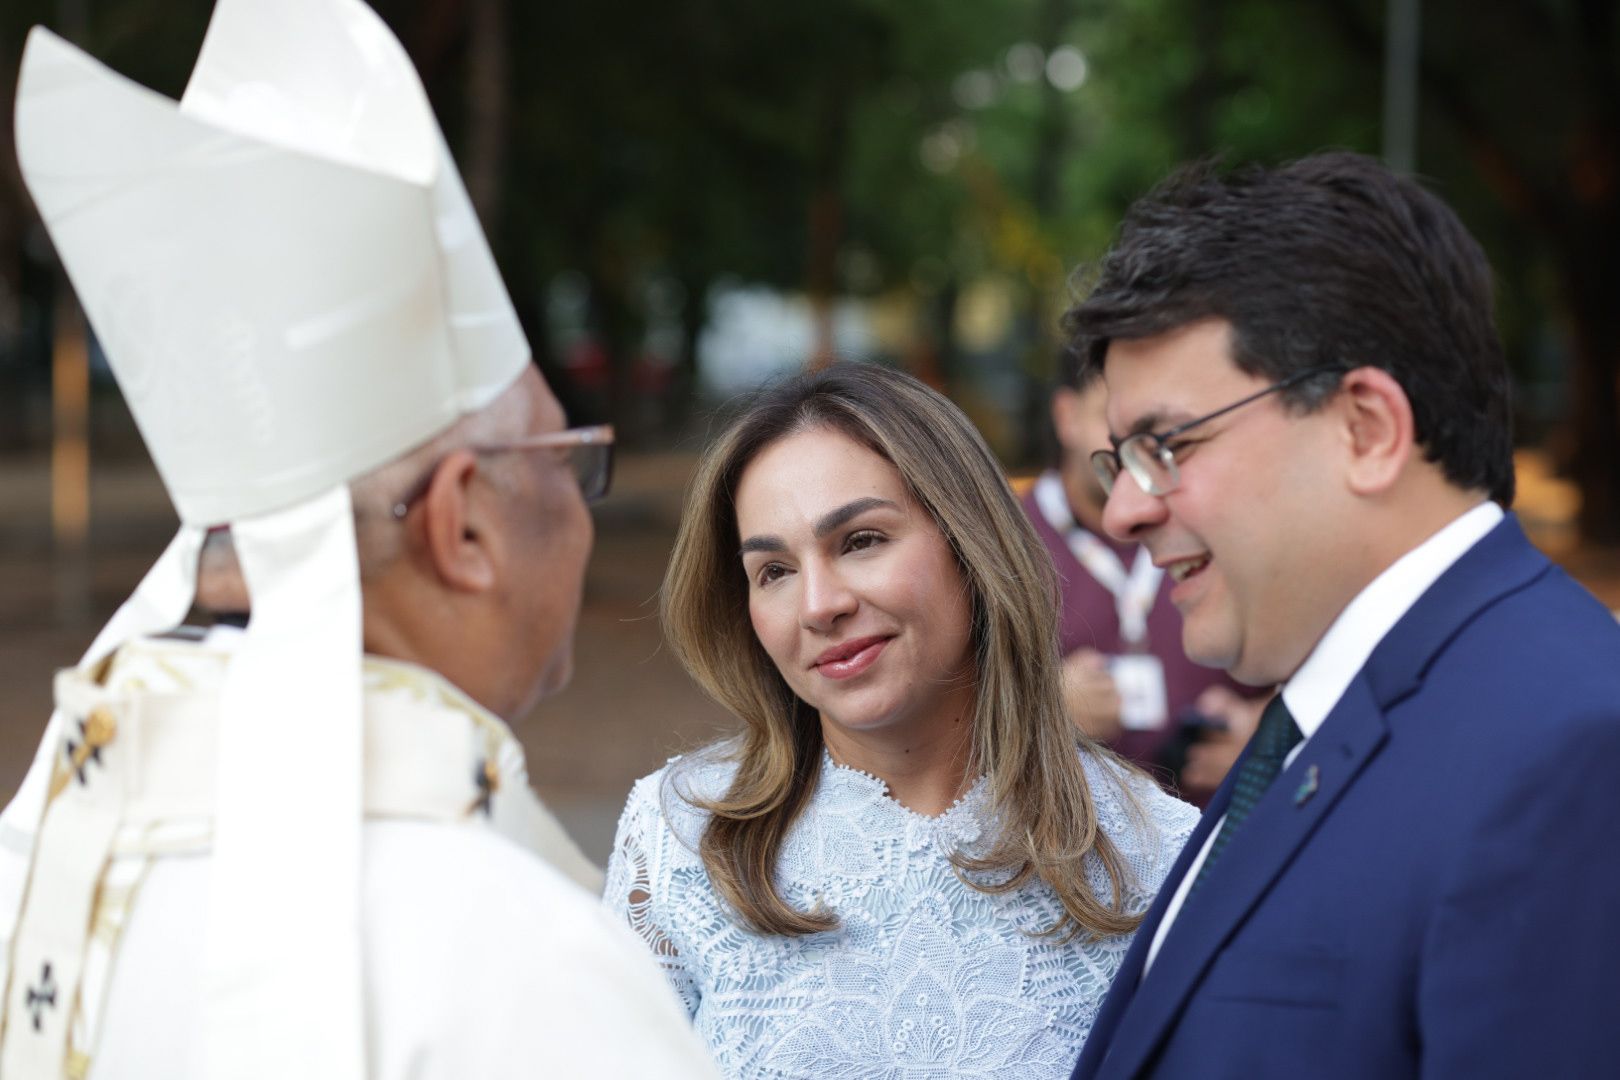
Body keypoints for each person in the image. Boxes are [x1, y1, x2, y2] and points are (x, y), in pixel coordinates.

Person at [0, 2, 718, 1077]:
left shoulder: (42, 862)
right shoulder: (524, 960)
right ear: (463, 523)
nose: (581, 506)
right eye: (568, 457)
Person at [1064, 153, 1620, 1080]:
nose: (1125, 509)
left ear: (1366, 428)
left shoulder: (1571, 751)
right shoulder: (1329, 713)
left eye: (1165, 445)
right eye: (1119, 461)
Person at [605, 363, 1199, 1079]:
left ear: (969, 544)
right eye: (774, 571)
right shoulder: (681, 842)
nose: (819, 604)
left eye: (860, 540)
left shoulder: (1160, 856)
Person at [1026, 345, 1263, 802]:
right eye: (1112, 430)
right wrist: (1041, 712)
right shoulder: (998, 544)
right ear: (1066, 416)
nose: (1132, 460)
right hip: (1067, 854)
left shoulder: (1219, 522)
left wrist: (1265, 739)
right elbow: (942, 718)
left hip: (1215, 837)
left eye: (1155, 435)